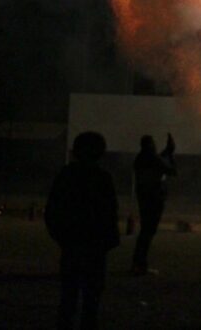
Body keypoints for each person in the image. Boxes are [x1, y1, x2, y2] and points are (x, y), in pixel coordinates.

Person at [46, 132, 120, 330]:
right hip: (95, 246)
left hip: (72, 243)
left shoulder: (66, 174)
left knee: (68, 295)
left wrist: (62, 237)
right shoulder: (103, 178)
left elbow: (52, 210)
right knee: (91, 299)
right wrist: (109, 240)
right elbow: (110, 212)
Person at [131, 132, 176, 275]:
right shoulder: (151, 158)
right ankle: (140, 264)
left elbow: (159, 161)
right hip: (154, 198)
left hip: (145, 198)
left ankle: (138, 263)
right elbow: (171, 170)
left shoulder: (141, 158)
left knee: (146, 231)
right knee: (148, 231)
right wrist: (170, 153)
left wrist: (167, 151)